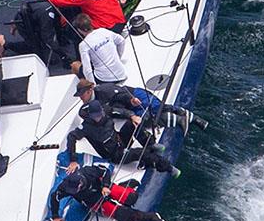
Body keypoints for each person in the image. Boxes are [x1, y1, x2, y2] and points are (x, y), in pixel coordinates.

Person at [64, 98, 180, 176]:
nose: (99, 117)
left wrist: (132, 116)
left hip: (119, 139)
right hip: (115, 154)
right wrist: (73, 160)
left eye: (100, 114)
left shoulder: (105, 111)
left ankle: (150, 144)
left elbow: (120, 111)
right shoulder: (85, 127)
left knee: (132, 124)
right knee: (141, 153)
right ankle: (168, 167)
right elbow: (71, 137)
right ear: (90, 115)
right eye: (95, 115)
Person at [49, 164, 166, 221]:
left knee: (131, 198)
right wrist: (55, 216)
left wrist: (105, 186)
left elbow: (105, 171)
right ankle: (151, 217)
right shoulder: (65, 186)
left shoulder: (87, 172)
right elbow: (55, 196)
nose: (74, 191)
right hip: (93, 200)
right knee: (123, 215)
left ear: (81, 182)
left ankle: (126, 186)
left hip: (103, 188)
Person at [75, 78, 208, 134]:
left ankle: (191, 117)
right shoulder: (90, 105)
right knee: (145, 120)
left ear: (89, 91)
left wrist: (131, 100)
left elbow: (121, 94)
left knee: (154, 106)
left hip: (133, 95)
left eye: (82, 95)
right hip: (129, 109)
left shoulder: (104, 90)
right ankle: (179, 120)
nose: (81, 98)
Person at [73, 13, 127, 84]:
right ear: (91, 23)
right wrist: (118, 57)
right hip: (121, 74)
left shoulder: (83, 45)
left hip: (104, 79)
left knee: (75, 65)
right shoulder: (103, 31)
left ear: (79, 30)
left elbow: (87, 69)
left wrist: (93, 85)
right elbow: (122, 41)